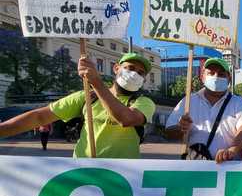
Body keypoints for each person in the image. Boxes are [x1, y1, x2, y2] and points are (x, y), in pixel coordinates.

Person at [0, 52, 156, 158]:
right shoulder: (87, 97)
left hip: (123, 178)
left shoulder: (143, 102)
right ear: (116, 68)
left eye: (141, 72)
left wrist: (95, 81)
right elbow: (39, 116)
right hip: (83, 173)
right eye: (130, 68)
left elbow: (126, 119)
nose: (135, 74)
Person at [165, 58, 242, 163]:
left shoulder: (238, 102)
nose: (216, 77)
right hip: (196, 167)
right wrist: (181, 128)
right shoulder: (188, 101)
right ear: (202, 76)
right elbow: (169, 131)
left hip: (229, 166)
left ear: (229, 78)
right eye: (211, 73)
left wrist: (233, 149)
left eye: (221, 74)